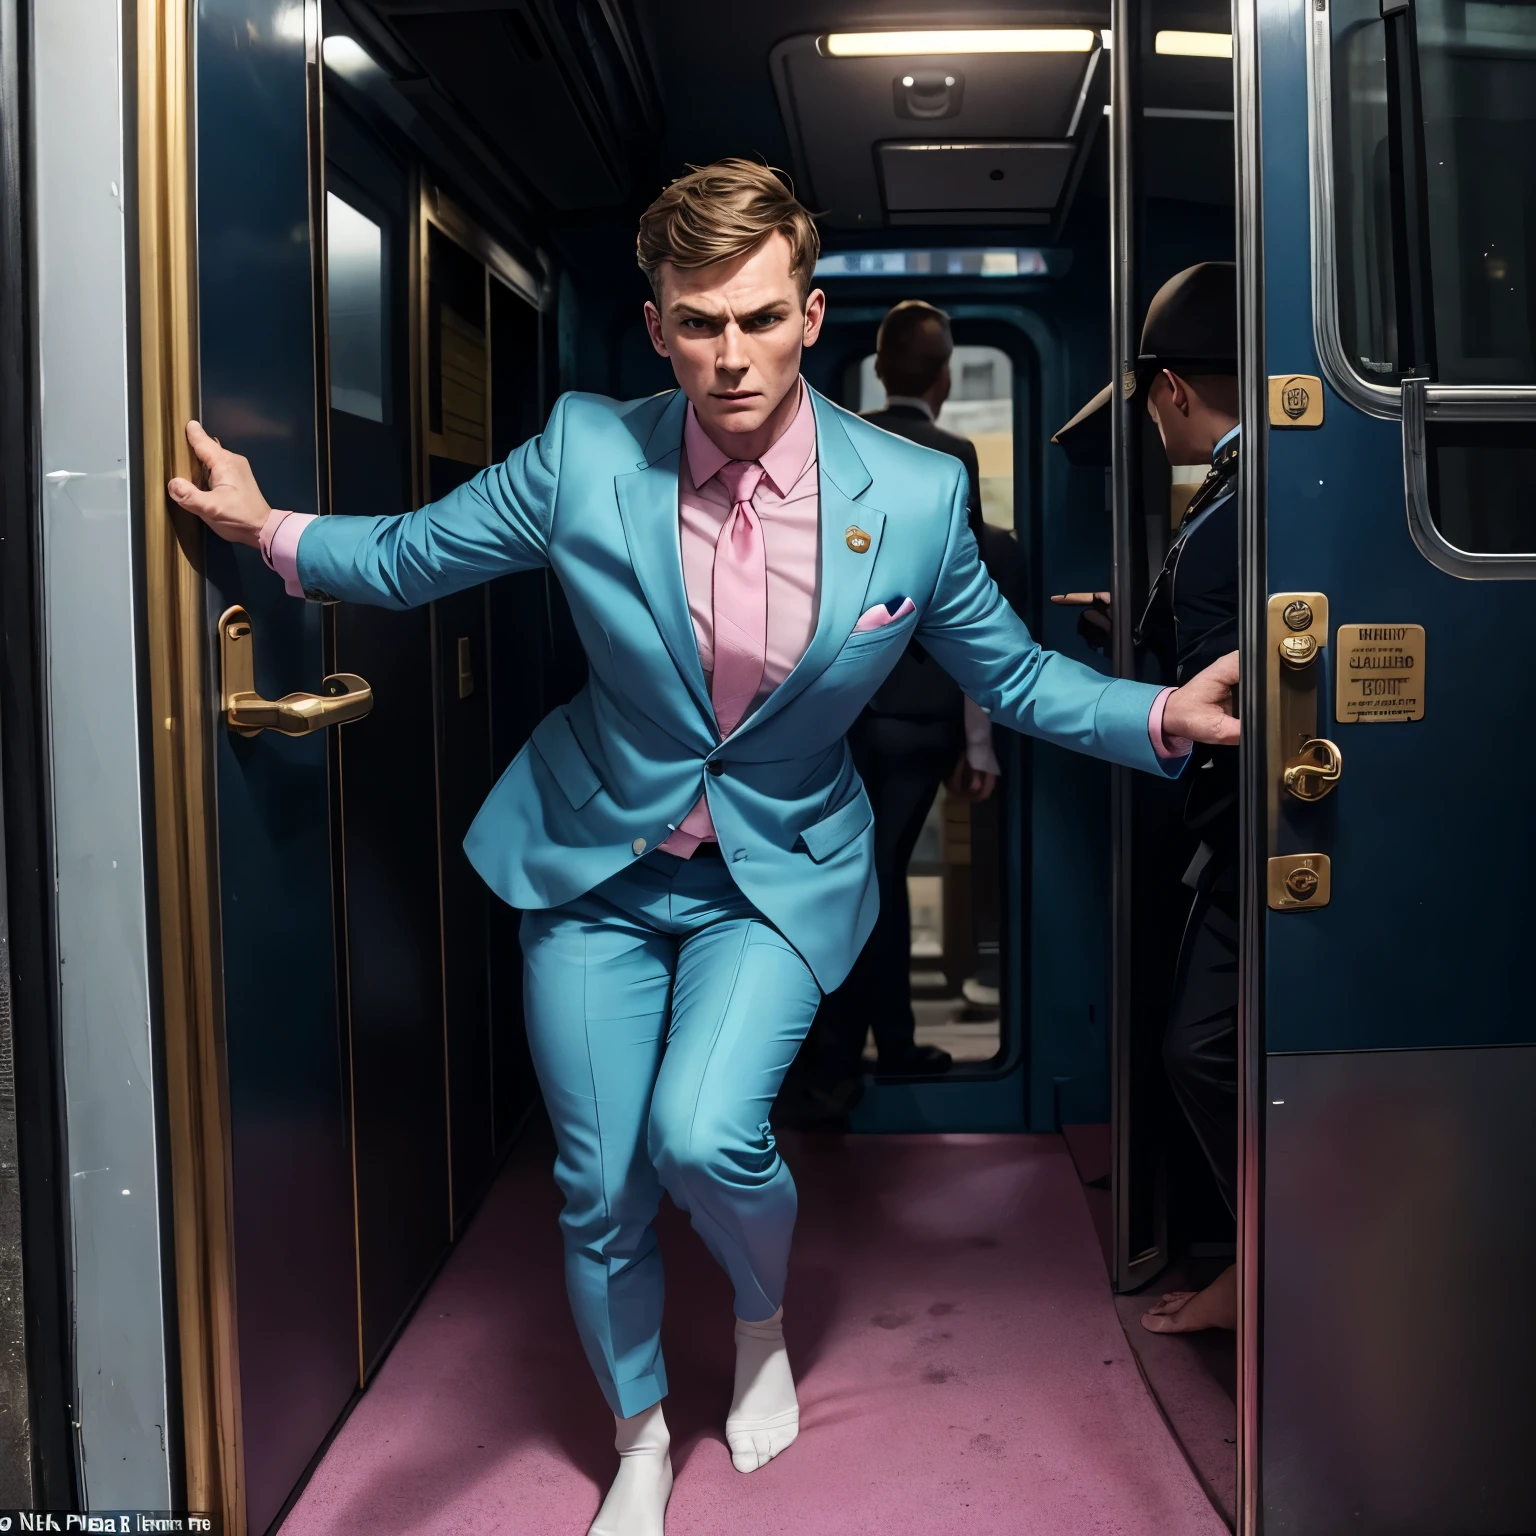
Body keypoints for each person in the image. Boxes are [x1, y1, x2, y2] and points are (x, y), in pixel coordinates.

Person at [170, 163, 1240, 1536]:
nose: (727, 357)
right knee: (599, 1182)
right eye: (695, 325)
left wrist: (1159, 708)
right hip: (594, 868)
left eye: (753, 319)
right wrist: (272, 532)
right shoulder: (583, 452)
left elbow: (1017, 677)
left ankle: (758, 1317)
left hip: (773, 874)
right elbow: (419, 554)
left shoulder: (910, 495)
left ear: (809, 314)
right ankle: (636, 1435)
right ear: (658, 324)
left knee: (704, 1135)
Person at [1053, 261, 1241, 1335]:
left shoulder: (1227, 510)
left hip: (1241, 827)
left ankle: (1270, 1262)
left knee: (1201, 1048)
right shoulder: (1234, 494)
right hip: (1226, 831)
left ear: (1170, 388)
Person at [807, 301, 1000, 1107]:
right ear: (945, 377)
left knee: (849, 875)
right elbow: (967, 611)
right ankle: (853, 1058)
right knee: (873, 877)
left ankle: (846, 1055)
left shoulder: (834, 447)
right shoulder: (952, 456)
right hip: (922, 714)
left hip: (835, 713)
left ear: (878, 371)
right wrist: (979, 739)